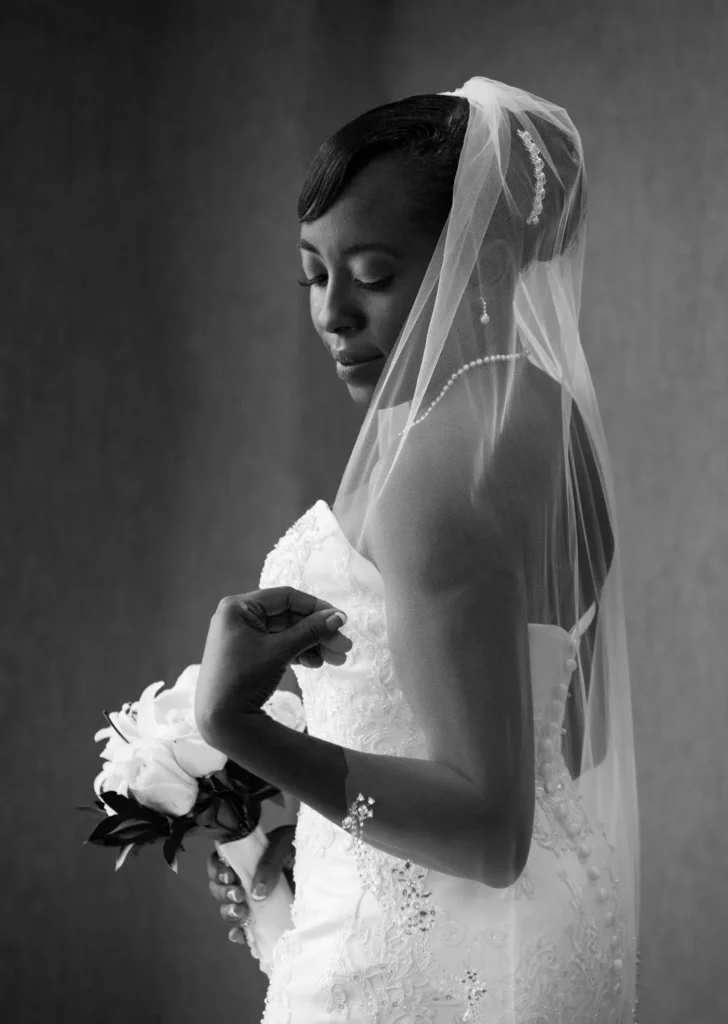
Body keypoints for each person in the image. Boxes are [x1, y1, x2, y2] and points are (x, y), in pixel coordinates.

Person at [200, 76, 640, 1023]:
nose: (330, 316)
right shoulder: (543, 420)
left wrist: (242, 730)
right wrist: (319, 858)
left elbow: (487, 830)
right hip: (537, 938)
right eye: (314, 275)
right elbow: (567, 736)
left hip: (440, 966)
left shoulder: (440, 464)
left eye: (371, 274)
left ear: (475, 265)